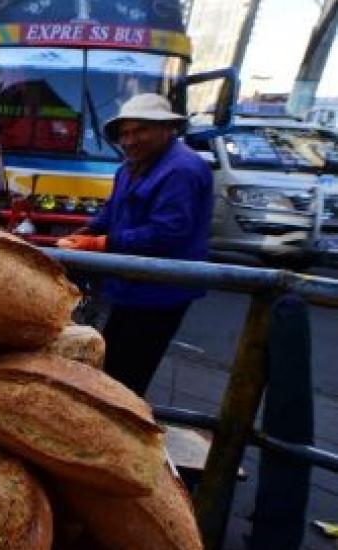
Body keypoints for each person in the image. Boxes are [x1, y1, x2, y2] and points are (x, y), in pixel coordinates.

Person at [58, 93, 213, 397]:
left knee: (129, 374)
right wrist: (87, 230)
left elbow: (168, 233)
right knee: (110, 363)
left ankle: (119, 426)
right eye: (126, 133)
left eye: (140, 130)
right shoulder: (130, 167)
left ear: (165, 129)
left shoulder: (182, 170)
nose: (130, 140)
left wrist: (102, 243)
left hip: (160, 292)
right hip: (128, 286)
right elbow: (112, 212)